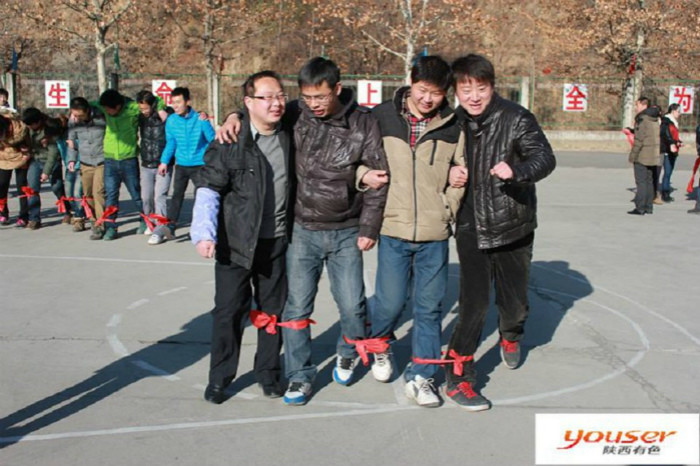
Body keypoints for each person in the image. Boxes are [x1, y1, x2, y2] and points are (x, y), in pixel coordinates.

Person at [445, 54, 555, 411]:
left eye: (481, 88)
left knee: (514, 301)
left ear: (492, 87)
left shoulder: (516, 118)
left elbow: (545, 158)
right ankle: (459, 376)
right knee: (473, 303)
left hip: (512, 223)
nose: (474, 97)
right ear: (456, 91)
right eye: (466, 90)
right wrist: (449, 173)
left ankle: (511, 335)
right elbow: (435, 161)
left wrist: (517, 171)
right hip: (470, 225)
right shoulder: (452, 121)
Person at [361, 55, 465, 408]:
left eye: (436, 93)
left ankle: (422, 377)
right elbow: (357, 155)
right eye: (422, 90)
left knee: (429, 309)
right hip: (393, 228)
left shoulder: (454, 124)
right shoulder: (382, 116)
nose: (427, 99)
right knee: (389, 303)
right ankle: (380, 345)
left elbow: (462, 169)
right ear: (410, 82)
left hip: (435, 234)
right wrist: (362, 175)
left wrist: (447, 207)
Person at [192, 71, 293, 404]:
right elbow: (208, 187)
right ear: (249, 102)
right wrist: (203, 233)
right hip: (235, 243)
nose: (276, 103)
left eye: (280, 95)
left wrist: (234, 113)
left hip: (277, 241)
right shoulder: (229, 141)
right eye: (267, 97)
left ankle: (268, 372)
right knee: (228, 312)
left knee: (272, 311)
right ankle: (220, 377)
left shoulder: (292, 133)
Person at [94, 89, 164, 240]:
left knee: (136, 194)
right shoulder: (104, 107)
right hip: (110, 159)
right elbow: (90, 104)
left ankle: (144, 220)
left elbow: (157, 99)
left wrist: (160, 109)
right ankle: (111, 227)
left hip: (129, 159)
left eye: (109, 109)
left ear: (118, 106)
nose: (106, 112)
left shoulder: (132, 108)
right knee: (111, 195)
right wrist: (76, 111)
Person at [149, 87, 214, 245]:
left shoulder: (200, 119)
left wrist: (212, 161)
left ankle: (203, 229)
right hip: (182, 165)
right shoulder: (171, 120)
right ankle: (170, 227)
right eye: (173, 102)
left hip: (200, 165)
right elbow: (171, 142)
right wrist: (164, 161)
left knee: (202, 197)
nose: (175, 106)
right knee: (176, 196)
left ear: (187, 102)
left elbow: (213, 141)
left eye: (179, 102)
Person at [22, 108, 71, 230]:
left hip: (52, 162)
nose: (29, 127)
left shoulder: (50, 129)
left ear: (38, 121)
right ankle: (34, 219)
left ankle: (68, 211)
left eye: (31, 124)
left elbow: (53, 153)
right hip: (36, 160)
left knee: (57, 187)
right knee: (32, 189)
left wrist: (46, 172)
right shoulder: (28, 129)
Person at [67, 97, 107, 239]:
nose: (77, 118)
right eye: (74, 115)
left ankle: (100, 224)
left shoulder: (101, 117)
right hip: (85, 161)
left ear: (87, 110)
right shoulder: (73, 121)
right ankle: (93, 220)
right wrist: (72, 159)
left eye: (80, 115)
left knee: (98, 193)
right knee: (88, 194)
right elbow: (71, 140)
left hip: (102, 160)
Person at [136, 90, 172, 235]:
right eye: (141, 108)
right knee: (146, 197)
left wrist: (163, 112)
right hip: (146, 163)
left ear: (153, 105)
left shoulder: (166, 114)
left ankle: (160, 226)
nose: (143, 111)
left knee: (160, 196)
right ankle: (149, 222)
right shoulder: (140, 117)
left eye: (146, 108)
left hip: (163, 163)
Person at [628, 97, 660, 215]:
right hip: (653, 154)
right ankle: (648, 206)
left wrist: (633, 155)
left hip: (642, 155)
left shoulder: (642, 119)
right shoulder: (654, 118)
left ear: (643, 105)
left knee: (641, 182)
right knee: (649, 181)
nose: (636, 108)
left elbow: (639, 139)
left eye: (637, 105)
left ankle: (640, 207)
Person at [0, 111, 30, 226]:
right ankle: (3, 213)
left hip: (21, 158)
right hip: (3, 159)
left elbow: (29, 143)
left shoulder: (20, 128)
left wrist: (27, 152)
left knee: (22, 187)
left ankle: (24, 215)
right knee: (2, 186)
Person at [659, 103, 682, 203]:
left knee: (669, 172)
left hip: (673, 149)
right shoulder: (666, 121)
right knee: (667, 172)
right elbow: (666, 135)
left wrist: (678, 142)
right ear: (673, 111)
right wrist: (672, 143)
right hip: (667, 150)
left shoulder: (673, 122)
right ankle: (665, 193)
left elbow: (673, 135)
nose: (679, 114)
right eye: (678, 111)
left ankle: (666, 191)